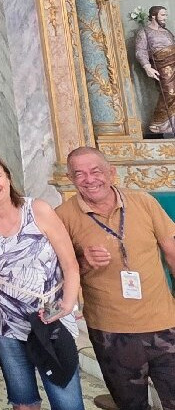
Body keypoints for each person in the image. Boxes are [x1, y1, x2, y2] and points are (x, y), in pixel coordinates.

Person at [56, 146, 175, 410]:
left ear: (111, 173)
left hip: (165, 324)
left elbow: (172, 252)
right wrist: (85, 261)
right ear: (71, 179)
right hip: (111, 332)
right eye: (79, 174)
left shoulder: (144, 201)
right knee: (130, 405)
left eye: (96, 171)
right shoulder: (62, 217)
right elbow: (61, 273)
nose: (89, 179)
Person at [0, 152, 82, 410]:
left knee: (67, 399)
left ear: (8, 177)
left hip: (48, 315)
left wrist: (68, 304)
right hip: (6, 322)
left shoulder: (37, 209)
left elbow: (70, 264)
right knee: (23, 400)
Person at [133, 5, 175, 133]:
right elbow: (140, 51)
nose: (165, 17)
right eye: (162, 15)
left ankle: (171, 125)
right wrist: (147, 67)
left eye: (165, 15)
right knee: (169, 92)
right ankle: (157, 123)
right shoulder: (144, 32)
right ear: (153, 16)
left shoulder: (167, 32)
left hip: (173, 63)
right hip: (162, 66)